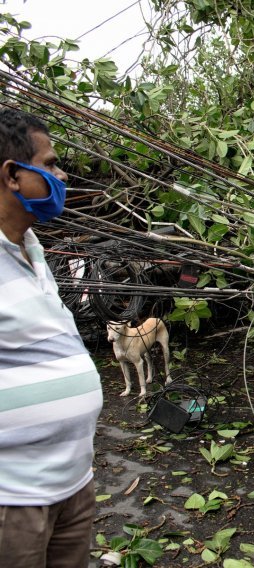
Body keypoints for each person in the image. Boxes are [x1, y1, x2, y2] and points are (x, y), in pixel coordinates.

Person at [0, 108, 103, 566]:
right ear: (12, 175)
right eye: (50, 164)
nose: (62, 176)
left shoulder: (31, 247)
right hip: (14, 500)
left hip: (74, 487)